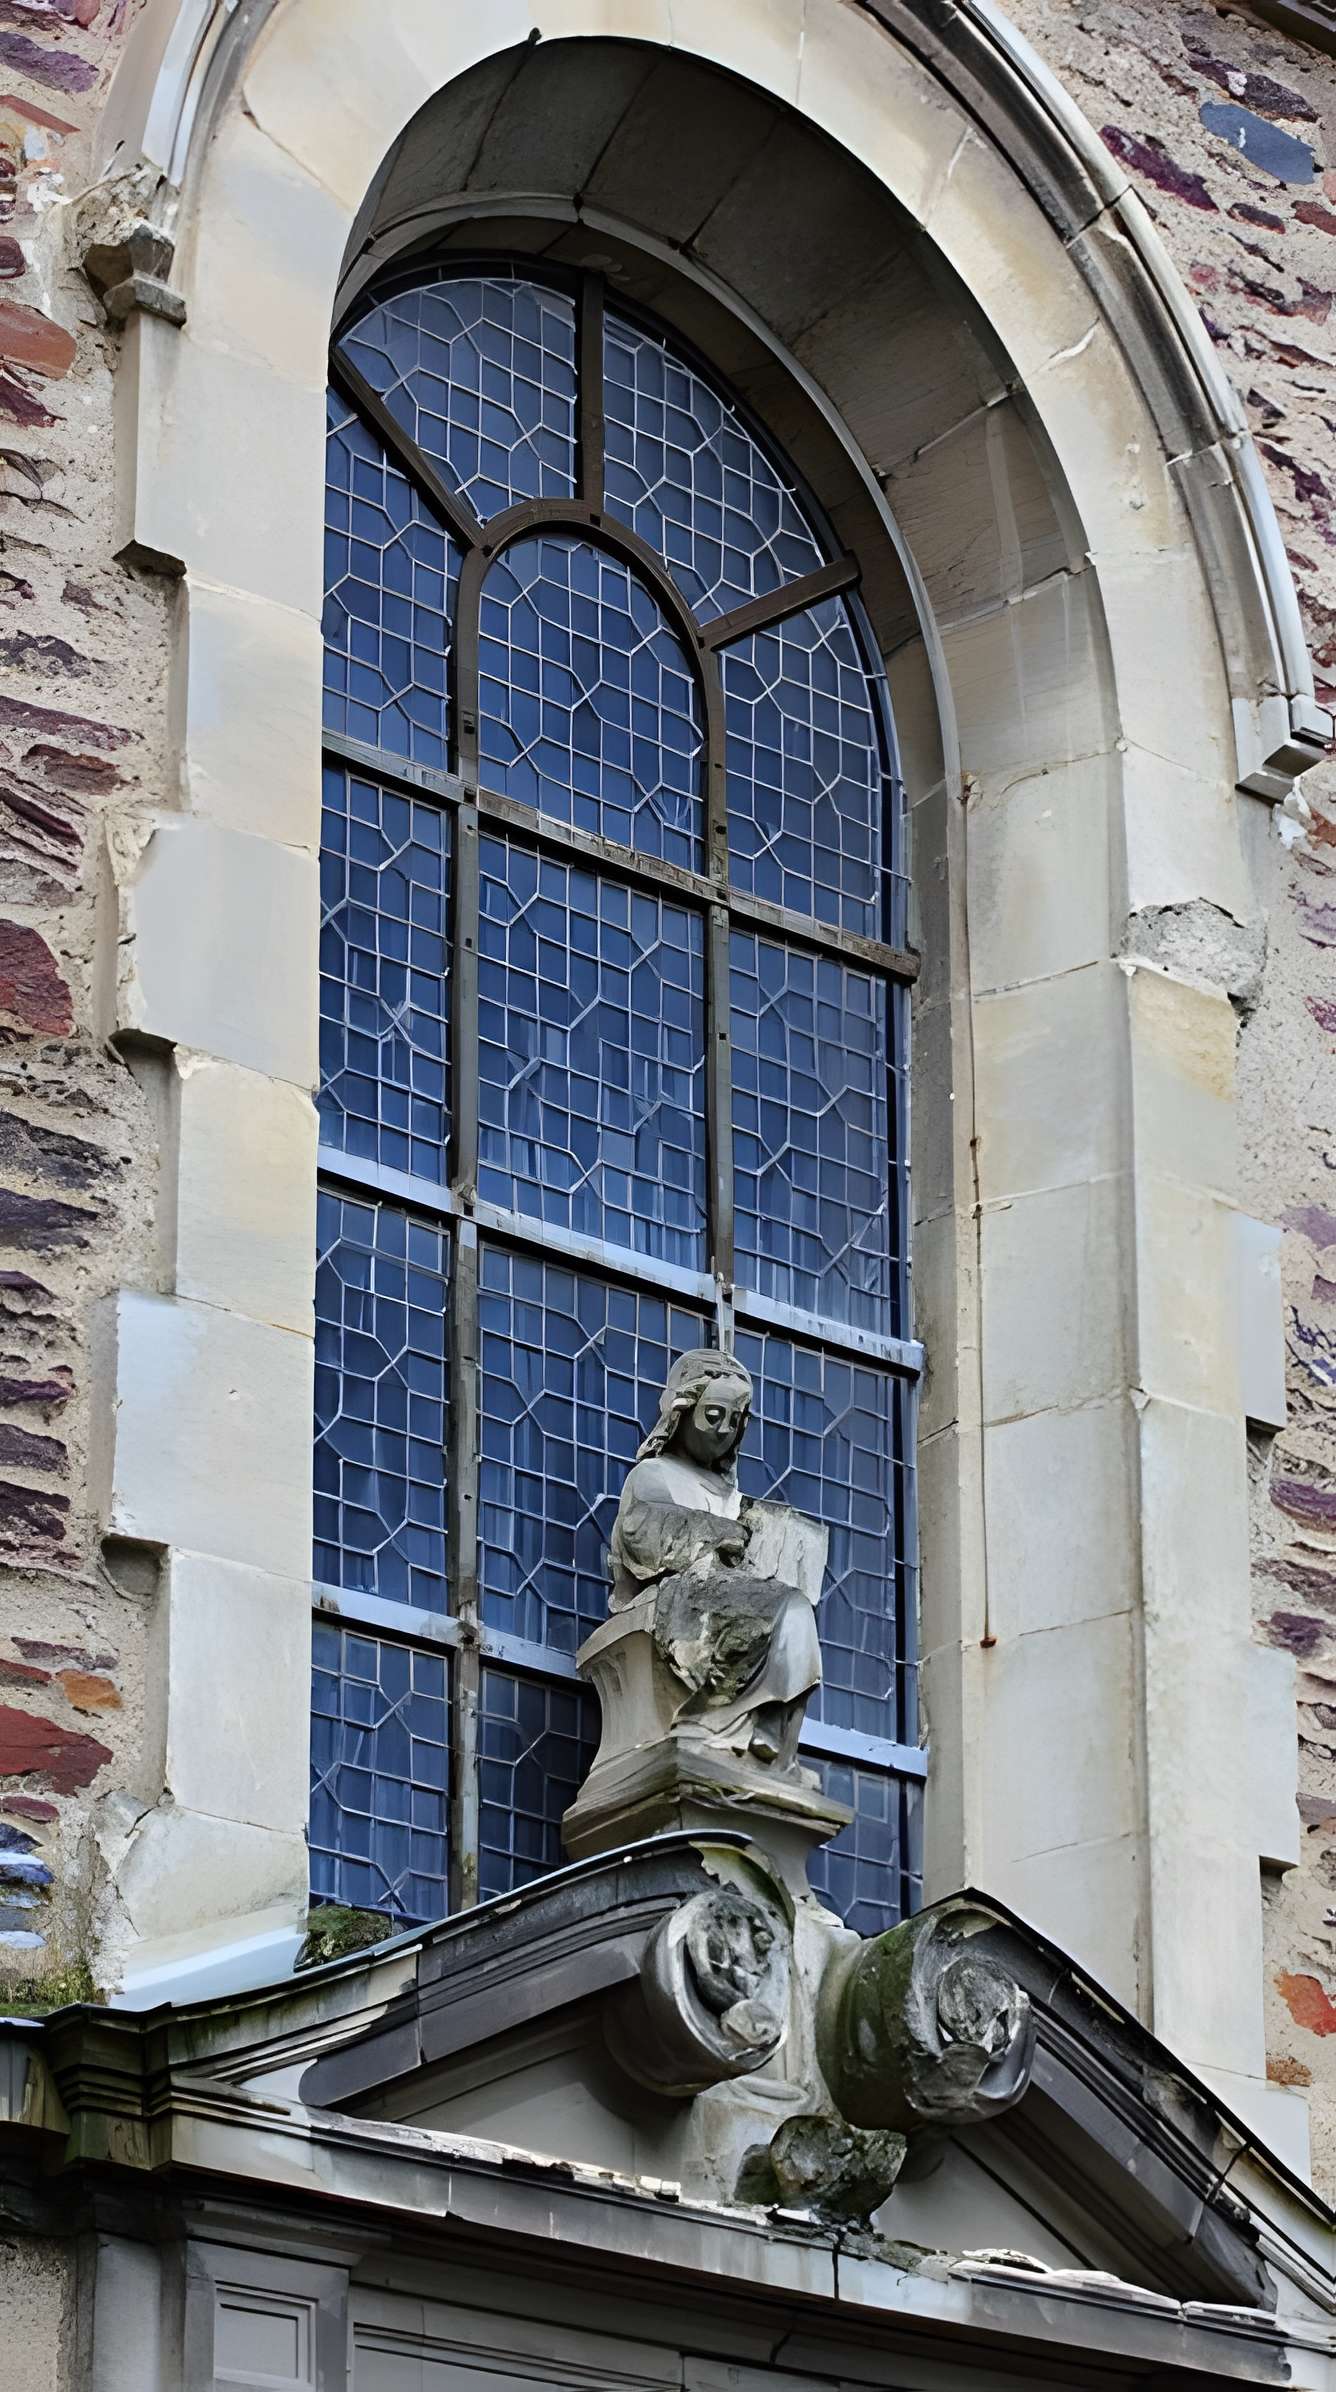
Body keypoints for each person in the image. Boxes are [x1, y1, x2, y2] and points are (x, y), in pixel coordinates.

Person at [608, 1348, 822, 1769]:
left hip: (743, 1594)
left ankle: (766, 1726)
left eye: (736, 1420)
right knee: (784, 1611)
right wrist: (718, 1533)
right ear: (683, 1412)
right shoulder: (654, 1475)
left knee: (796, 1613)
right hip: (688, 1595)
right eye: (713, 1415)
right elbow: (640, 1531)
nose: (724, 1430)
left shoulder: (735, 1497)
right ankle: (720, 1722)